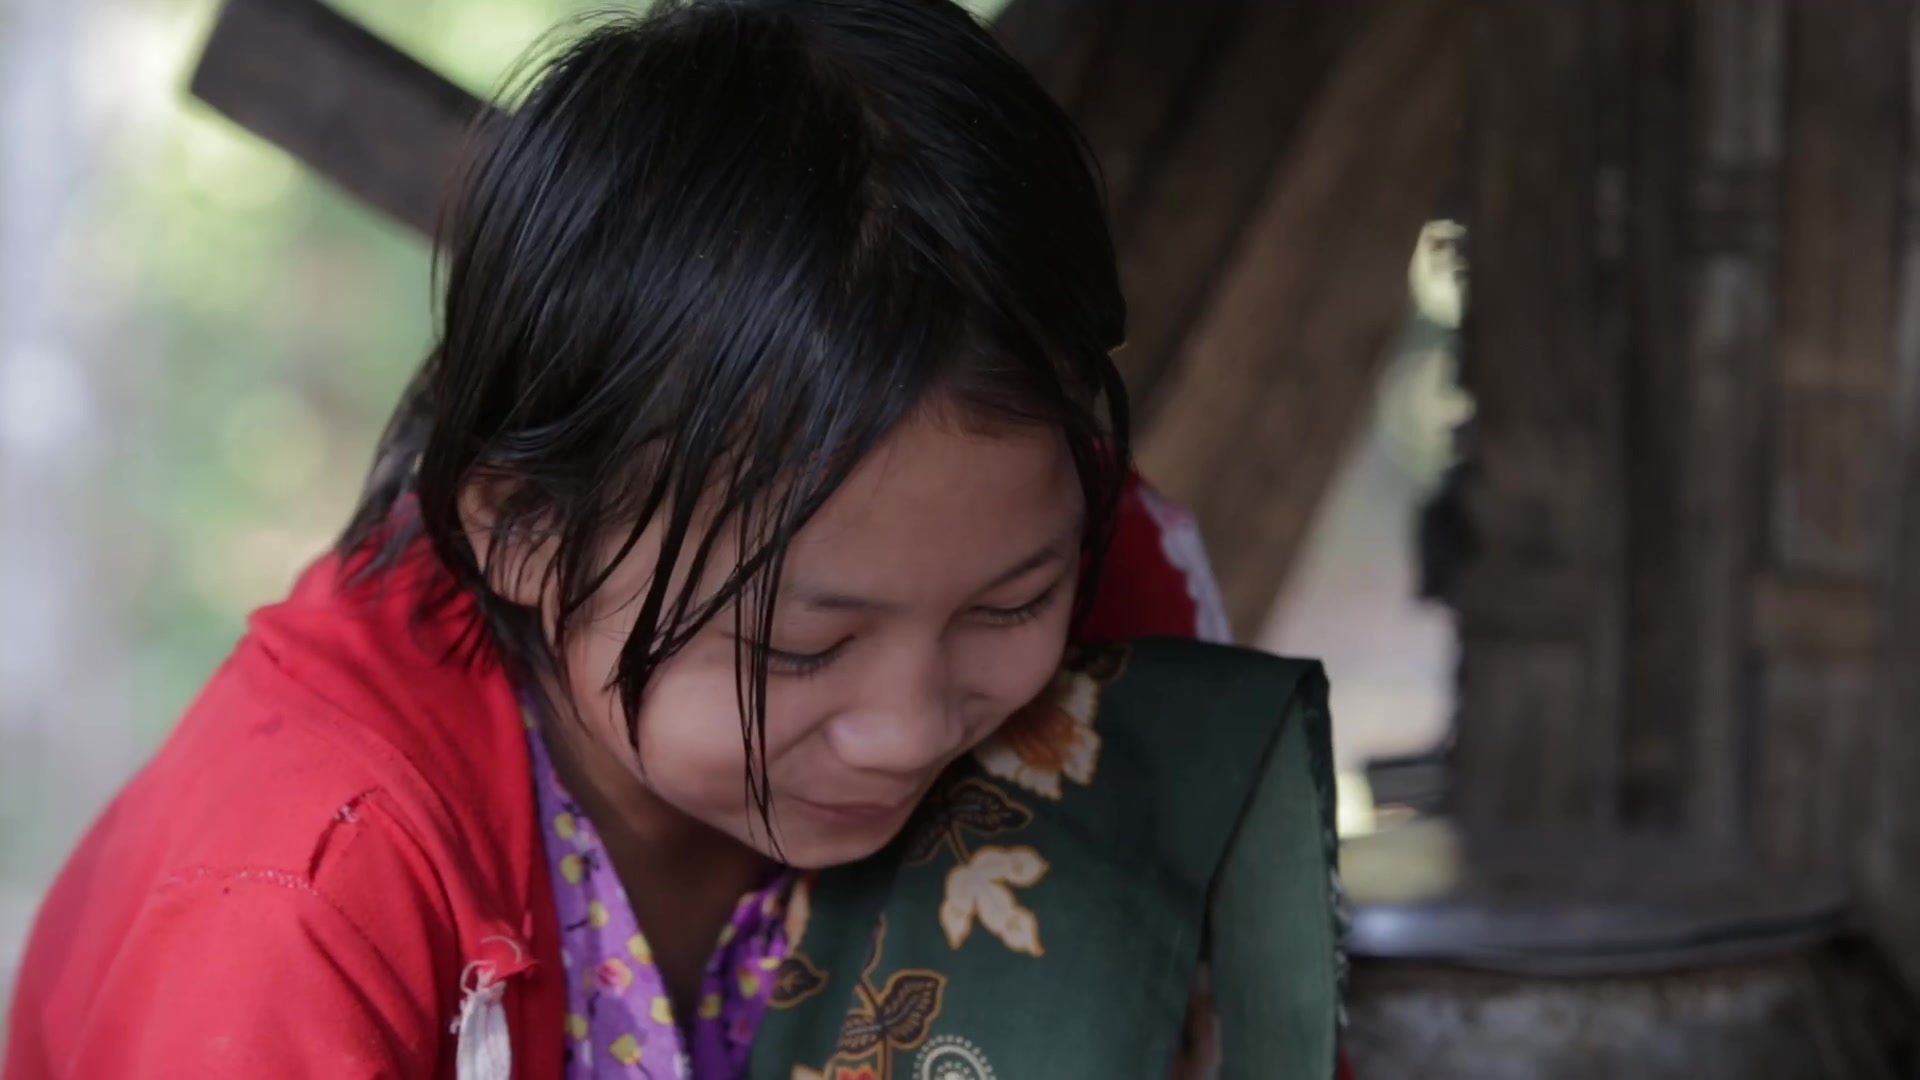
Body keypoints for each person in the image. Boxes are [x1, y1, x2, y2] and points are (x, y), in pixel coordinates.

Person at [3, 2, 1342, 1077]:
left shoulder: (1102, 581)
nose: (910, 724)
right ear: (525, 531)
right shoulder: (298, 908)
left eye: (1009, 609)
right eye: (804, 645)